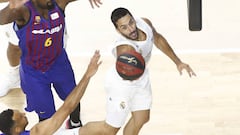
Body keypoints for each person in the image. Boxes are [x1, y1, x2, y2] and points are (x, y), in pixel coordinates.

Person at [76, 7, 197, 135]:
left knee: (142, 118)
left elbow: (157, 38)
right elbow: (127, 68)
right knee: (109, 130)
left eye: (131, 23)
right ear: (118, 30)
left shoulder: (144, 23)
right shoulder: (124, 48)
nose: (131, 29)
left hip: (141, 78)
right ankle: (75, 132)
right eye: (124, 27)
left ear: (134, 19)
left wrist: (178, 62)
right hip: (122, 85)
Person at [0, 0, 103, 129]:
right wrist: (11, 7)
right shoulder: (23, 11)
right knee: (45, 115)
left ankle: (75, 123)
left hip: (58, 63)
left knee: (73, 96)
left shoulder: (59, 3)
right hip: (34, 71)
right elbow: (2, 19)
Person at [0, 50, 102, 135]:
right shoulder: (37, 132)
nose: (24, 113)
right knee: (96, 130)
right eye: (21, 116)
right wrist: (87, 75)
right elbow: (68, 107)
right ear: (17, 129)